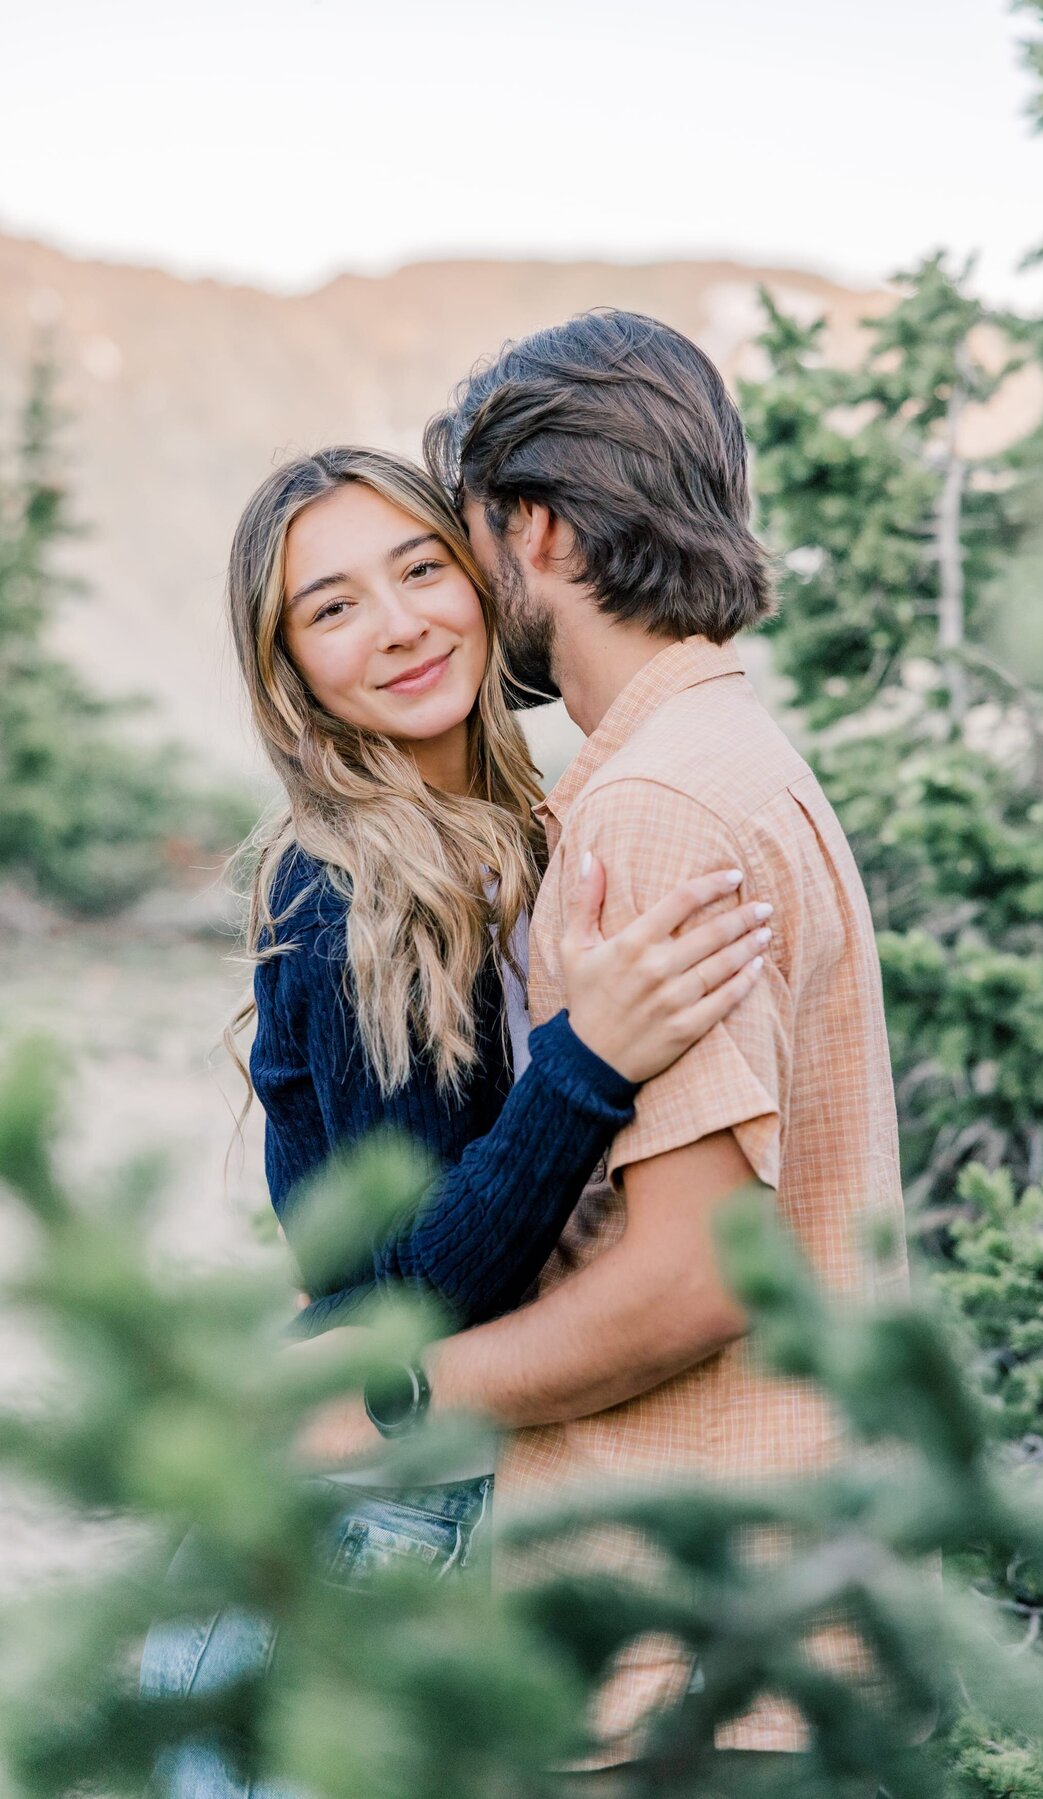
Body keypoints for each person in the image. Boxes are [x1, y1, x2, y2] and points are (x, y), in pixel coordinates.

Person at [138, 445, 771, 1797]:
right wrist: (589, 1064)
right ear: (290, 670)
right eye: (332, 607)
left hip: (462, 1493)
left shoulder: (518, 836)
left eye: (421, 569)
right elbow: (404, 1287)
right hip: (358, 1520)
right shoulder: (342, 892)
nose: (399, 624)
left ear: (484, 579)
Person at [398, 309, 906, 1767]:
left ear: (541, 529)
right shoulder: (732, 757)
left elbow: (693, 1279)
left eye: (469, 536)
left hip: (684, 1645)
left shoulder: (657, 808)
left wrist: (392, 1405)